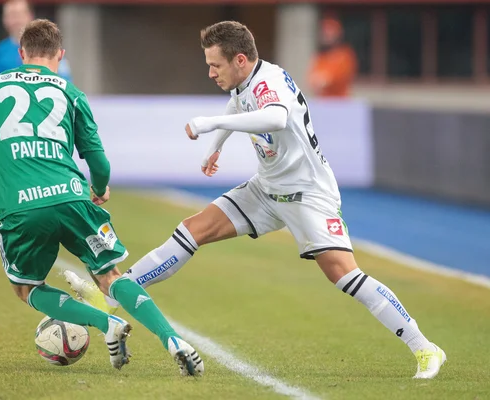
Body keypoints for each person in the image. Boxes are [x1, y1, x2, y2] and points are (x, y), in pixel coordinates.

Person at [63, 20, 446, 380]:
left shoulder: (269, 84)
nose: (211, 72)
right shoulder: (246, 81)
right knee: (192, 230)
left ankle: (426, 348)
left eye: (215, 65)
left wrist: (212, 123)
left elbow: (276, 118)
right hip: (266, 189)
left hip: (307, 194)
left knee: (343, 274)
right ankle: (112, 294)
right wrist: (217, 147)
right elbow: (237, 102)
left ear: (240, 60)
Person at [0, 19, 203, 377]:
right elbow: (98, 160)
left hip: (22, 208)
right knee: (111, 276)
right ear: (60, 54)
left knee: (26, 288)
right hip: (72, 198)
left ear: (21, 54)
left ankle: (106, 324)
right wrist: (99, 189)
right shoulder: (72, 94)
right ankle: (173, 340)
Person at [0, 0, 72, 221]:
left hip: (44, 128)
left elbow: (65, 85)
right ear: (4, 20)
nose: (15, 19)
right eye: (10, 15)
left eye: (19, 14)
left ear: (29, 16)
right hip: (13, 130)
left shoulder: (48, 48)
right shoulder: (0, 51)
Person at [307, 17, 357, 97]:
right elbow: (312, 79)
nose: (326, 35)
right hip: (322, 102)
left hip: (339, 102)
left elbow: (338, 78)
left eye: (330, 32)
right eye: (324, 32)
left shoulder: (345, 54)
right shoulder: (321, 56)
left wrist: (324, 79)